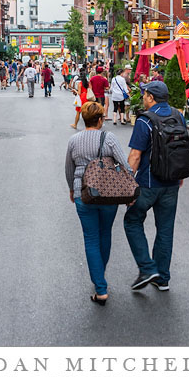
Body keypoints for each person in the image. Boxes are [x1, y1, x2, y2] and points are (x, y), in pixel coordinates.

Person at [65, 102, 133, 305]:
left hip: (83, 194)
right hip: (108, 195)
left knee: (91, 238)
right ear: (101, 120)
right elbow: (124, 164)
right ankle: (99, 277)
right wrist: (130, 188)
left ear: (84, 119)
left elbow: (69, 169)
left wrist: (72, 188)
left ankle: (100, 286)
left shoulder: (74, 140)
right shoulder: (109, 138)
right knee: (105, 234)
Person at [123, 81, 187, 291]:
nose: (143, 97)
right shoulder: (179, 116)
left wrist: (127, 185)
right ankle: (162, 278)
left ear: (151, 97)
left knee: (132, 221)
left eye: (145, 94)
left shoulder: (146, 120)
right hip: (172, 183)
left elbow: (135, 155)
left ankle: (148, 268)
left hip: (148, 184)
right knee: (165, 229)